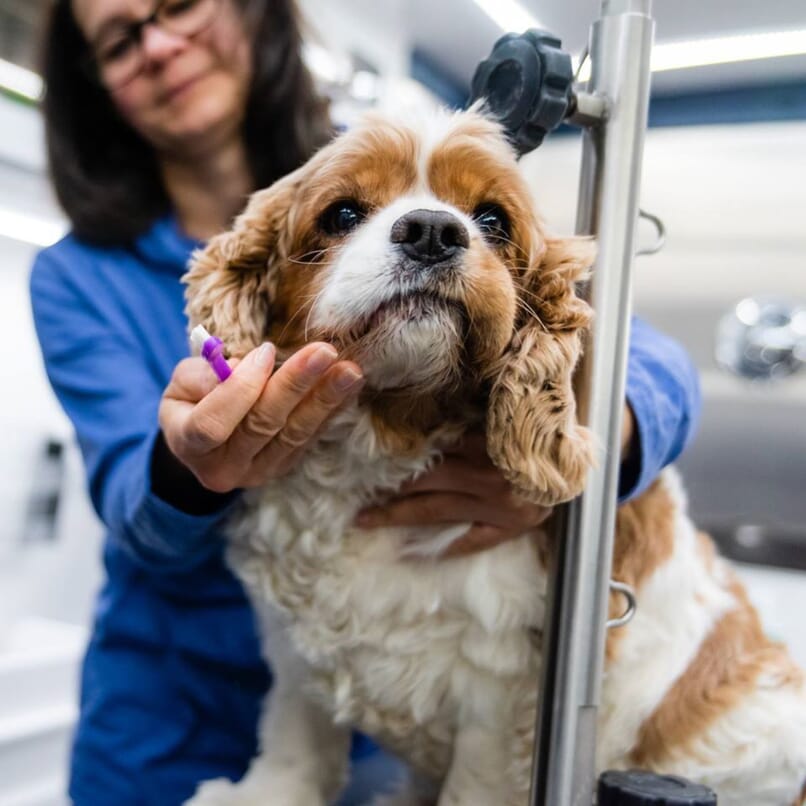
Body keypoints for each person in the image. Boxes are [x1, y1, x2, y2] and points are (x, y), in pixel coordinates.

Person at [30, 0, 702, 803]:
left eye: (179, 7)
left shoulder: (396, 142)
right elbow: (128, 504)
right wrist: (189, 468)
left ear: (252, 18)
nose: (163, 45)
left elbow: (647, 356)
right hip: (165, 720)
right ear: (93, 84)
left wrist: (569, 460)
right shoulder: (77, 275)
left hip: (398, 733)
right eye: (121, 39)